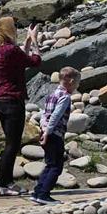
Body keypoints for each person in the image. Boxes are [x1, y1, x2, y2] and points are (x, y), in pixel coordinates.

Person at [0, 17, 40, 197]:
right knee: (12, 145)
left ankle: (7, 182)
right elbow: (34, 62)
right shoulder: (10, 50)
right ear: (7, 29)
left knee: (10, 143)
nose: (16, 29)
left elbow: (19, 61)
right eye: (14, 27)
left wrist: (25, 43)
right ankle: (2, 184)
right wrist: (34, 41)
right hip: (12, 101)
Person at [31, 66, 81, 205]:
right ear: (70, 81)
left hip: (45, 131)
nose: (77, 86)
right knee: (56, 166)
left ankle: (37, 192)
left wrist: (43, 128)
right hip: (54, 134)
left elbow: (44, 115)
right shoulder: (65, 97)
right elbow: (55, 116)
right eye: (77, 83)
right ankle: (44, 194)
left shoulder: (51, 95)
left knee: (49, 164)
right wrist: (48, 132)